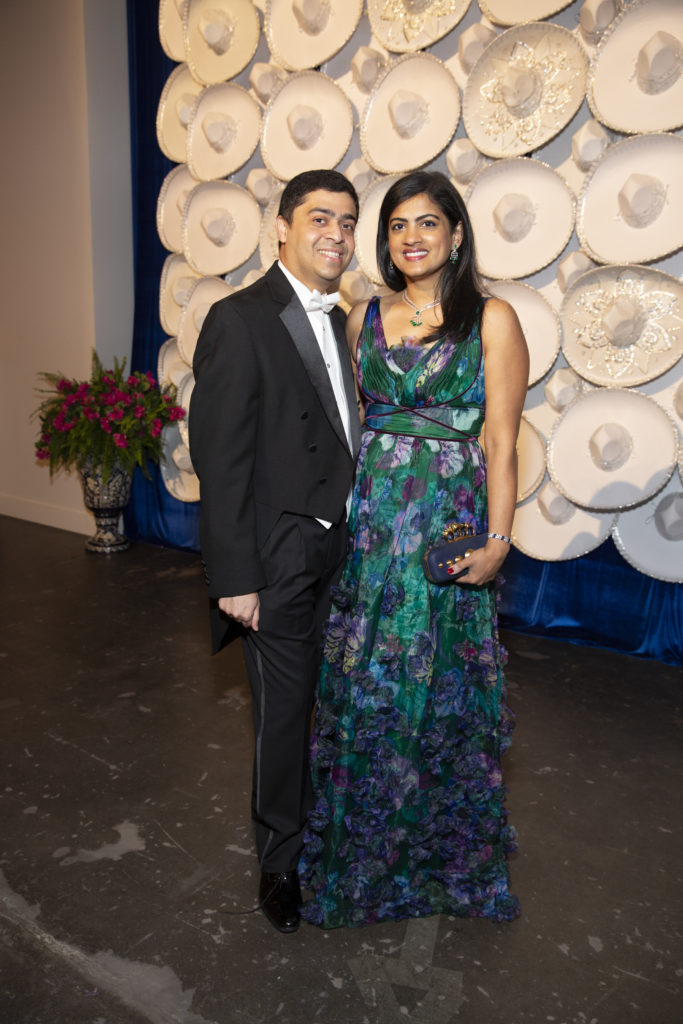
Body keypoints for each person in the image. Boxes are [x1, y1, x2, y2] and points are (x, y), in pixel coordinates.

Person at [298, 170, 529, 928]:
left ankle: (438, 854)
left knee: (440, 689)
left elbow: (500, 438)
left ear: (456, 234)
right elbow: (353, 423)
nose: (412, 237)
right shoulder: (365, 314)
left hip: (446, 527)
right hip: (373, 527)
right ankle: (361, 851)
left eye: (428, 223)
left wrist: (498, 538)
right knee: (367, 681)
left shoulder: (490, 319)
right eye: (398, 225)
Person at [189, 169, 362, 934]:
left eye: (348, 222)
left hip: (342, 552)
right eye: (320, 218)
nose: (336, 233)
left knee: (331, 708)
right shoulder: (240, 317)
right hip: (279, 556)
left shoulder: (342, 318)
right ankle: (279, 863)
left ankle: (323, 831)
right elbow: (219, 457)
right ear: (282, 229)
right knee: (284, 716)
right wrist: (236, 577)